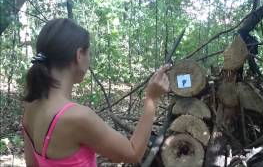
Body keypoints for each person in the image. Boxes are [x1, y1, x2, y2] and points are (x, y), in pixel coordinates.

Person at [22, 18, 170, 167]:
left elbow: (32, 164)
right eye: (89, 54)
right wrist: (151, 99)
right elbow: (133, 152)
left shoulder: (31, 107)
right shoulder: (77, 117)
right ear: (79, 55)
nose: (89, 59)